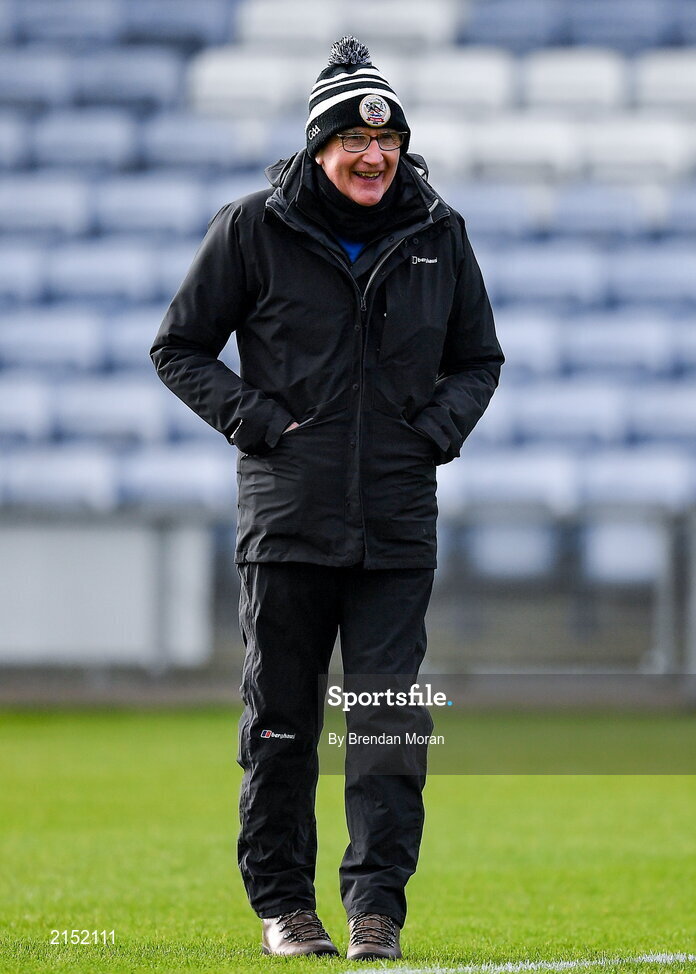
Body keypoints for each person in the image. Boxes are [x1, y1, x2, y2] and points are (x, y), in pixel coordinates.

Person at [150, 36, 504, 961]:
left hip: (396, 527)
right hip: (287, 524)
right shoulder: (250, 228)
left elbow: (479, 362)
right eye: (354, 141)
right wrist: (256, 421)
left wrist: (431, 436)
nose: (374, 157)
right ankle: (284, 908)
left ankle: (376, 910)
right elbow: (177, 348)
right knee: (280, 725)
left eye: (387, 142)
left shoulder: (441, 232)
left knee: (388, 726)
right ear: (319, 148)